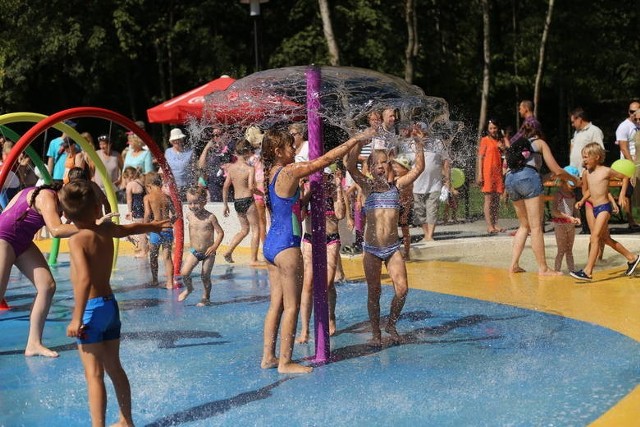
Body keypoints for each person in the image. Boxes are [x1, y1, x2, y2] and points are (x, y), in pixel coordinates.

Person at [260, 127, 374, 374]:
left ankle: (268, 356)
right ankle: (285, 362)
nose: (295, 148)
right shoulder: (289, 171)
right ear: (278, 151)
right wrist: (354, 140)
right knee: (292, 306)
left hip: (270, 245)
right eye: (290, 146)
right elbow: (324, 160)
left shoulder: (271, 173)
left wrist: (306, 196)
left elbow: (288, 209)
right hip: (286, 247)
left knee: (276, 305)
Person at [59, 179, 170, 427]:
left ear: (65, 215)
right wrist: (151, 226)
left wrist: (77, 317)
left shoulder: (77, 240)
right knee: (115, 368)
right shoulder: (106, 229)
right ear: (99, 209)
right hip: (110, 306)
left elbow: (85, 278)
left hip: (90, 311)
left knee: (94, 375)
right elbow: (130, 229)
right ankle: (126, 421)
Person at [345, 127, 425, 345]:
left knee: (402, 288)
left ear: (389, 166)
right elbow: (350, 166)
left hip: (391, 248)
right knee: (374, 292)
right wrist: (359, 142)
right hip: (371, 249)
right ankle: (376, 333)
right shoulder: (367, 188)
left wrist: (418, 144)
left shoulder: (396, 187)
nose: (380, 166)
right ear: (370, 168)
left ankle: (391, 323)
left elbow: (419, 168)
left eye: (384, 162)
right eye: (376, 163)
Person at [0, 183, 80, 357]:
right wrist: (94, 226)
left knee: (47, 286)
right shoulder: (46, 196)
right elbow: (56, 231)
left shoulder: (49, 197)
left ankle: (34, 344)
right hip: (3, 239)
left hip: (22, 241)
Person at [505, 123, 573, 275]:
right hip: (528, 179)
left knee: (524, 225)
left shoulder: (517, 145)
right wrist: (574, 178)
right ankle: (543, 268)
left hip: (509, 180)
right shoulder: (540, 143)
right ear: (540, 133)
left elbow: (527, 172)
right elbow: (556, 170)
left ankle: (513, 265)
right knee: (536, 227)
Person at [570, 143, 640, 281]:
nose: (583, 160)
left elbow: (625, 177)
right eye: (583, 157)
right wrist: (583, 200)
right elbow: (591, 190)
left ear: (596, 157)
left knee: (594, 237)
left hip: (604, 208)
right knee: (605, 239)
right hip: (595, 209)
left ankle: (588, 271)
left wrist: (621, 195)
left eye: (586, 157)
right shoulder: (587, 173)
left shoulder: (606, 171)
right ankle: (632, 258)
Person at [296, 165, 346, 343]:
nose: (322, 179)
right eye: (318, 175)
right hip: (310, 239)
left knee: (328, 283)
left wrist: (339, 187)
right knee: (308, 284)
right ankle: (305, 329)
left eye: (325, 175)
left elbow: (340, 214)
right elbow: (300, 216)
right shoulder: (309, 192)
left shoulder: (334, 191)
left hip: (331, 239)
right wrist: (304, 190)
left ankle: (330, 316)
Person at [178, 186, 224, 306]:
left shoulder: (210, 217)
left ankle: (206, 297)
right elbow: (177, 219)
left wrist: (215, 246)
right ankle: (189, 289)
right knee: (184, 272)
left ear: (204, 201)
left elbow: (220, 233)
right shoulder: (189, 215)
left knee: (205, 276)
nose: (193, 206)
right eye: (190, 203)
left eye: (196, 202)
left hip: (209, 253)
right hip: (194, 251)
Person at [222, 139, 261, 265]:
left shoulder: (231, 168)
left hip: (237, 202)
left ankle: (228, 251)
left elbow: (226, 186)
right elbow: (251, 187)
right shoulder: (250, 169)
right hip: (248, 201)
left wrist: (225, 205)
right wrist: (263, 194)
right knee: (256, 229)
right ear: (247, 151)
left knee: (244, 230)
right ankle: (253, 259)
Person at [568, 107, 606, 233]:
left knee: (589, 199)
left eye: (573, 121)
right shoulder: (577, 132)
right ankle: (586, 227)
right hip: (576, 173)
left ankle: (593, 227)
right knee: (580, 200)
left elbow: (599, 151)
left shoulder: (594, 131)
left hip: (588, 172)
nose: (572, 124)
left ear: (580, 119)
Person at [413, 127, 451, 242]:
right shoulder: (411, 144)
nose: (422, 133)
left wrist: (448, 180)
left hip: (434, 183)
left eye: (423, 130)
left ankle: (430, 236)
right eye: (418, 131)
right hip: (416, 184)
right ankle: (426, 235)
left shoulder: (437, 143)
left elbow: (445, 160)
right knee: (419, 212)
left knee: (432, 210)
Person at [144, 172, 175, 288]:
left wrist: (144, 227)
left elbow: (147, 214)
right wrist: (169, 222)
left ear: (149, 185)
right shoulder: (166, 197)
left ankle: (155, 280)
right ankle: (170, 283)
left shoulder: (148, 197)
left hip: (155, 229)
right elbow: (176, 214)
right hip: (168, 230)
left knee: (153, 256)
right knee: (167, 257)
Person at [477, 119, 507, 233]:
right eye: (491, 128)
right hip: (488, 172)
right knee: (488, 199)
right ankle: (489, 225)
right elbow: (480, 157)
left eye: (494, 128)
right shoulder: (485, 140)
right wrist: (480, 174)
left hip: (498, 172)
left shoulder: (500, 141)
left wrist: (503, 148)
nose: (493, 130)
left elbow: (505, 156)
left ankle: (495, 223)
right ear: (488, 129)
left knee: (496, 199)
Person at [615, 101, 640, 229]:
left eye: (636, 111)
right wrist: (632, 165)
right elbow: (624, 148)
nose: (633, 114)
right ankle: (631, 220)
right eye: (631, 111)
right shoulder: (624, 126)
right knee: (628, 193)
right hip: (629, 164)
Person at [550, 170, 581, 272]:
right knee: (561, 250)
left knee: (569, 250)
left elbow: (574, 208)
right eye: (570, 183)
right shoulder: (558, 195)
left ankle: (572, 271)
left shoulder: (572, 194)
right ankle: (556, 270)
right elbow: (554, 212)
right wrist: (568, 217)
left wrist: (578, 217)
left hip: (570, 225)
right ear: (563, 181)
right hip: (560, 225)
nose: (573, 186)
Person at [390, 156, 414, 260]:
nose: (395, 168)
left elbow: (409, 198)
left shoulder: (408, 181)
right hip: (396, 207)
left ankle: (407, 253)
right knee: (393, 230)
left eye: (398, 167)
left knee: (405, 231)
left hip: (404, 207)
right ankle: (394, 251)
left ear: (405, 169)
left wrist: (406, 212)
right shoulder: (395, 179)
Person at [123, 167, 147, 258]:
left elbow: (129, 200)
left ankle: (144, 251)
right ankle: (144, 247)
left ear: (128, 177)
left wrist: (129, 212)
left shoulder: (130, 185)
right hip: (145, 207)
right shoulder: (142, 182)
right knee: (143, 229)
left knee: (141, 231)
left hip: (137, 208)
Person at [165, 128, 195, 200]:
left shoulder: (190, 152)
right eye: (174, 140)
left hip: (187, 186)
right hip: (172, 186)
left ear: (182, 139)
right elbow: (164, 169)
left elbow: (195, 169)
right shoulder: (168, 152)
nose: (177, 141)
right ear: (171, 141)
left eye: (179, 139)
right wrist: (165, 184)